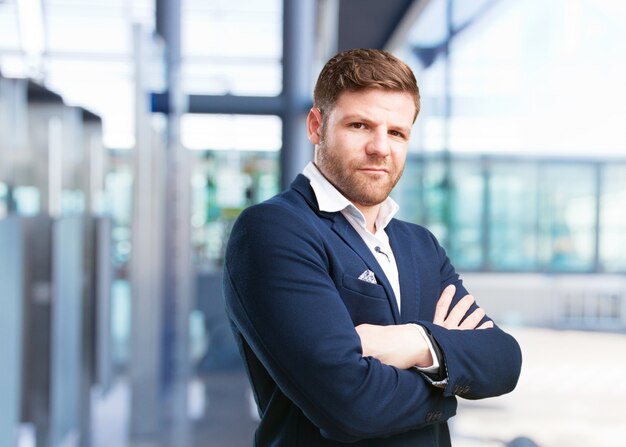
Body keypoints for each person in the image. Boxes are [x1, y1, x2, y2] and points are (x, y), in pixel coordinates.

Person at [223, 48, 522, 446]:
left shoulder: (419, 245)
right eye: (361, 125)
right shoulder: (274, 231)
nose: (381, 147)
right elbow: (350, 405)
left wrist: (416, 342)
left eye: (397, 132)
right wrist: (449, 374)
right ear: (316, 126)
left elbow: (503, 360)